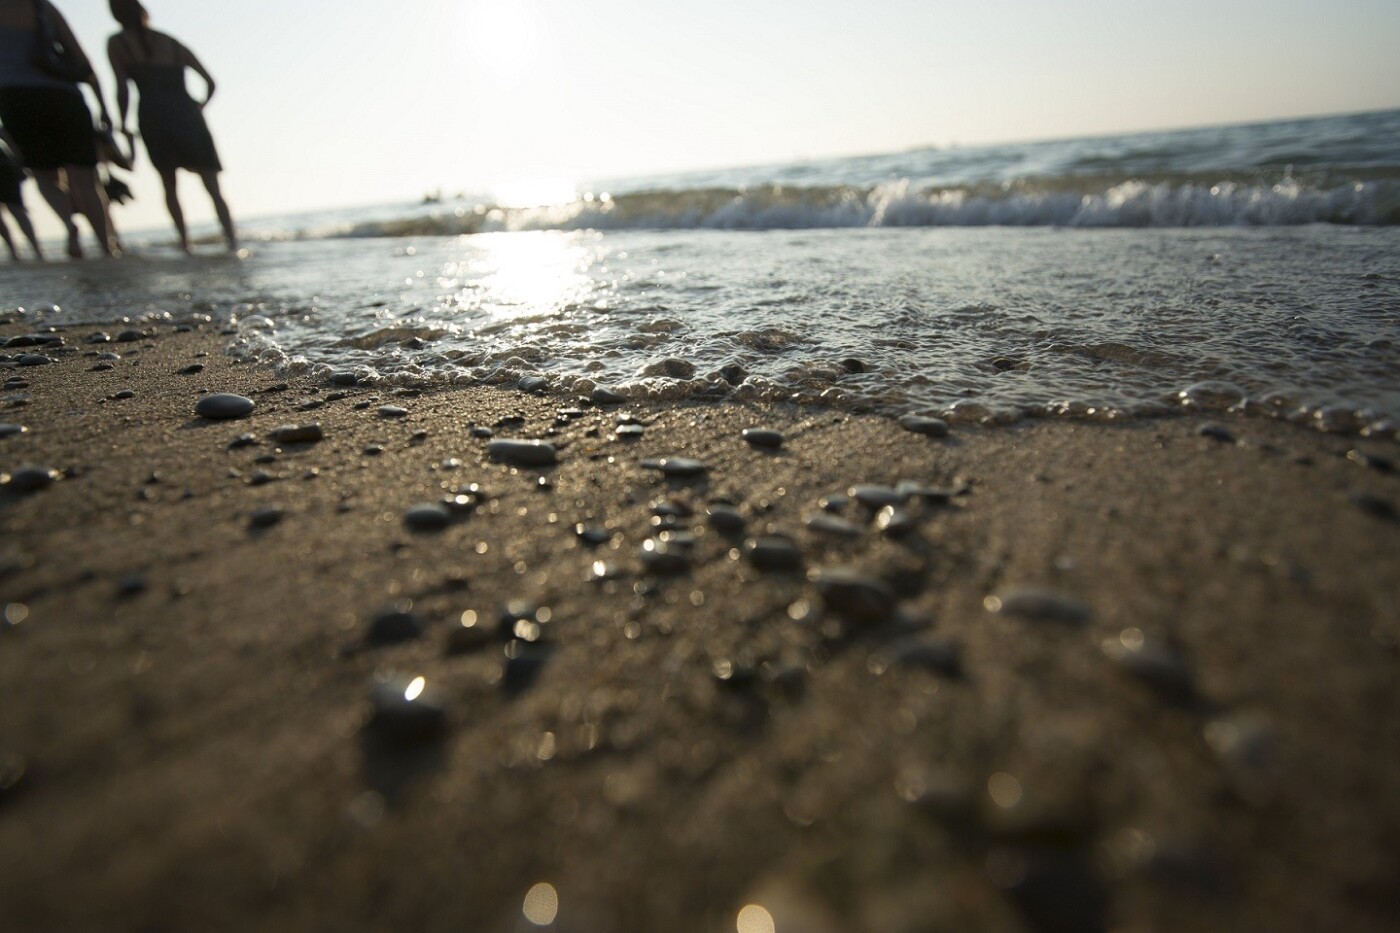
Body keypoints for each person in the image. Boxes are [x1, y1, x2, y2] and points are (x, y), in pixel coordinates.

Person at [108, 0, 235, 253]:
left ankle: (185, 242)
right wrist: (199, 107)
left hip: (153, 116)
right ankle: (232, 239)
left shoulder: (118, 43)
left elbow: (122, 89)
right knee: (212, 184)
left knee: (169, 183)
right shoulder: (171, 43)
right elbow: (210, 82)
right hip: (187, 115)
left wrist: (122, 123)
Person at [0, 0, 119, 258]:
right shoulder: (42, 8)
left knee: (45, 177)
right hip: (64, 97)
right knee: (85, 179)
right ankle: (106, 247)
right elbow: (82, 60)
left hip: (16, 100)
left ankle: (70, 223)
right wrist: (103, 107)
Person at [0, 125, 44, 259]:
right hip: (6, 168)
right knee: (17, 210)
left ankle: (33, 250)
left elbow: (4, 134)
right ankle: (25, 251)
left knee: (16, 210)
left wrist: (19, 160)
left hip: (4, 169)